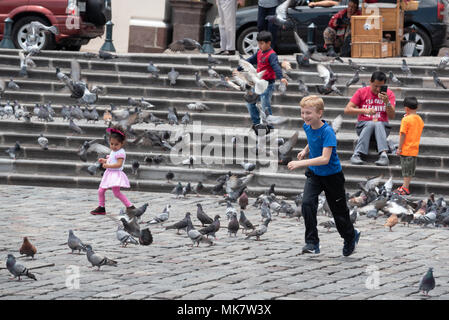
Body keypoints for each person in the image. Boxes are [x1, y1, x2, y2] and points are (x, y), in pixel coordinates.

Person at [287, 95, 360, 256]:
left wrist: (300, 163)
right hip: (314, 174)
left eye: (309, 113)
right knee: (306, 204)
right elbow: (312, 140)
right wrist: (305, 150)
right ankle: (312, 242)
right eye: (303, 112)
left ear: (319, 113)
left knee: (338, 212)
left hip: (332, 176)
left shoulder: (328, 132)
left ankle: (350, 237)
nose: (305, 116)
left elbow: (325, 159)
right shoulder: (307, 126)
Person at [234, 31, 288, 133]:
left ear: (269, 43)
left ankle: (269, 127)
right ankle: (257, 124)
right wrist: (238, 69)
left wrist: (281, 77)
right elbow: (249, 61)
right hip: (257, 83)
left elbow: (276, 66)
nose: (259, 46)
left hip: (267, 85)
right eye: (258, 43)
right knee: (250, 103)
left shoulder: (272, 55)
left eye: (262, 43)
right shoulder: (259, 52)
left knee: (265, 106)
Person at [344, 71, 395, 166]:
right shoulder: (361, 92)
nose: (378, 89)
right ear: (370, 82)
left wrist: (387, 102)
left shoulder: (389, 94)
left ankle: (383, 155)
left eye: (381, 86)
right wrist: (365, 111)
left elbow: (392, 116)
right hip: (363, 126)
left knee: (378, 123)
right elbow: (347, 110)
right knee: (371, 123)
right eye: (375, 86)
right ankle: (358, 154)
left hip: (382, 128)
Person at [90, 125, 136, 215]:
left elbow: (118, 164)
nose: (113, 146)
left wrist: (107, 165)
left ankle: (130, 206)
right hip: (109, 173)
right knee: (101, 191)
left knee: (116, 193)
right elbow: (112, 160)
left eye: (116, 144)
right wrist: (104, 160)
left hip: (115, 174)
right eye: (111, 144)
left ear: (122, 143)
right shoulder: (113, 151)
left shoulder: (121, 152)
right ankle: (101, 207)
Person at [394, 96, 424, 196]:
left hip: (406, 149)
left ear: (406, 108)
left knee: (406, 170)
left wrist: (399, 148)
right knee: (409, 170)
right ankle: (404, 186)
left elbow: (403, 134)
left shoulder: (406, 120)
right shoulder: (419, 119)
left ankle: (405, 188)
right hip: (414, 149)